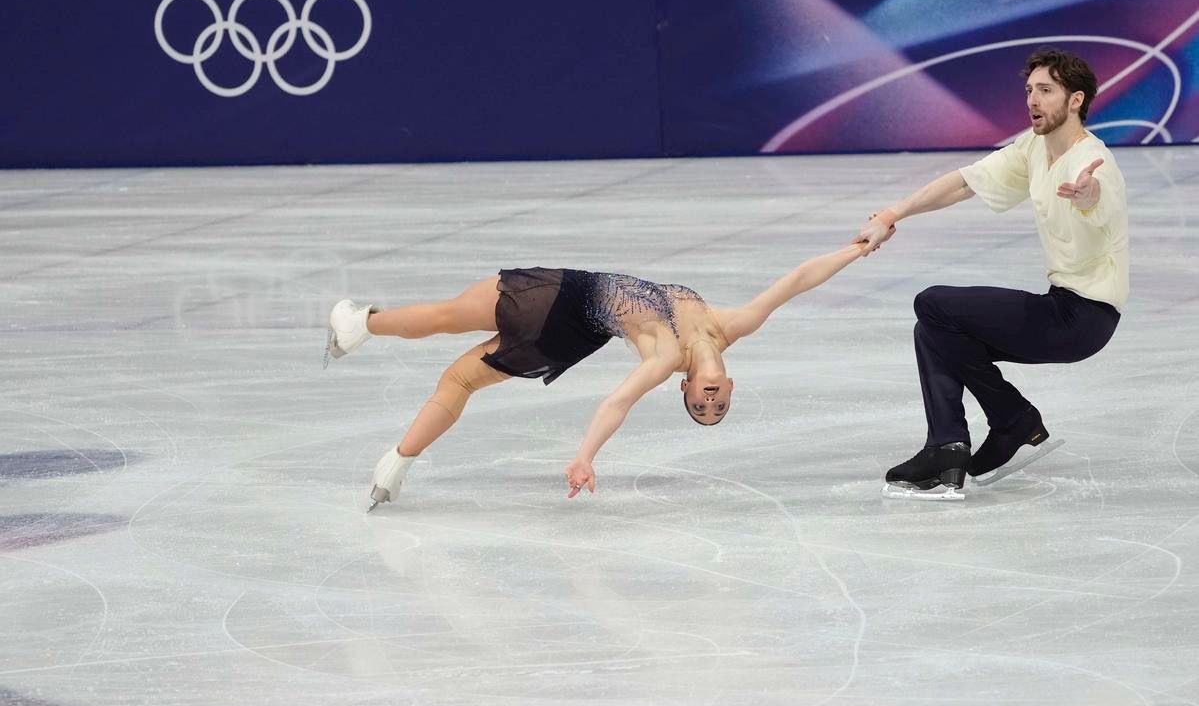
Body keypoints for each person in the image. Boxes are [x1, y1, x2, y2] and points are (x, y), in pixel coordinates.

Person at [325, 244, 866, 508]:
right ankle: (396, 465)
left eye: (700, 408)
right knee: (458, 379)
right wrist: (860, 248)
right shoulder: (734, 325)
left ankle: (361, 324)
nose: (708, 402)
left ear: (684, 388)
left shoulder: (665, 357)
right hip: (571, 336)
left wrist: (585, 456)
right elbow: (799, 279)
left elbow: (617, 404)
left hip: (561, 297)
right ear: (729, 387)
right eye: (716, 405)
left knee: (449, 318)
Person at [856, 46, 1128, 498]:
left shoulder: (1093, 161)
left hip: (1085, 317)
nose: (1033, 100)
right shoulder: (1034, 147)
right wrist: (892, 214)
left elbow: (1099, 197)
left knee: (933, 303)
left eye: (1046, 90)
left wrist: (1088, 194)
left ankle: (1012, 418)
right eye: (1029, 90)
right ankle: (947, 446)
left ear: (1075, 100)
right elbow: (966, 182)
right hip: (1062, 306)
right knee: (932, 331)